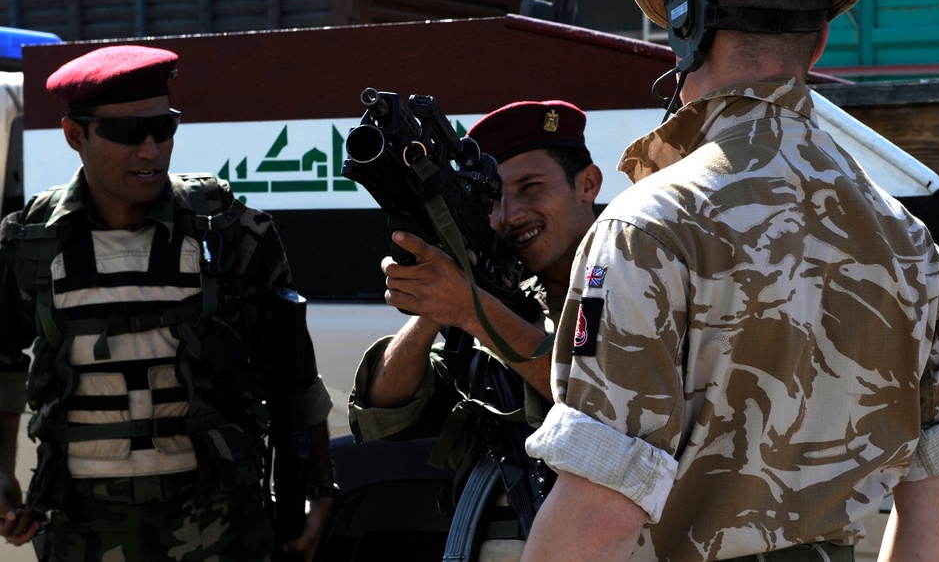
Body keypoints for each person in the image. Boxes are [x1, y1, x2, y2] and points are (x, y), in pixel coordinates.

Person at [522, 0, 939, 561]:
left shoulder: (647, 226)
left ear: (686, 28)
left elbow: (599, 517)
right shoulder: (910, 242)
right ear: (820, 39)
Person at [0, 45, 336, 561]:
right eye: (128, 133)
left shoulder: (229, 232)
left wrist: (319, 490)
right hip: (85, 532)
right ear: (75, 135)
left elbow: (292, 368)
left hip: (221, 527)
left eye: (164, 128)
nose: (151, 150)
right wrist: (1, 471)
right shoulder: (31, 243)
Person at [349, 99, 602, 441]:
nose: (510, 215)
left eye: (531, 188)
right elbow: (384, 413)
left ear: (587, 184)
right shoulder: (510, 304)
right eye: (497, 200)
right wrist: (434, 308)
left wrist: (470, 308)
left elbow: (600, 402)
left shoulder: (637, 279)